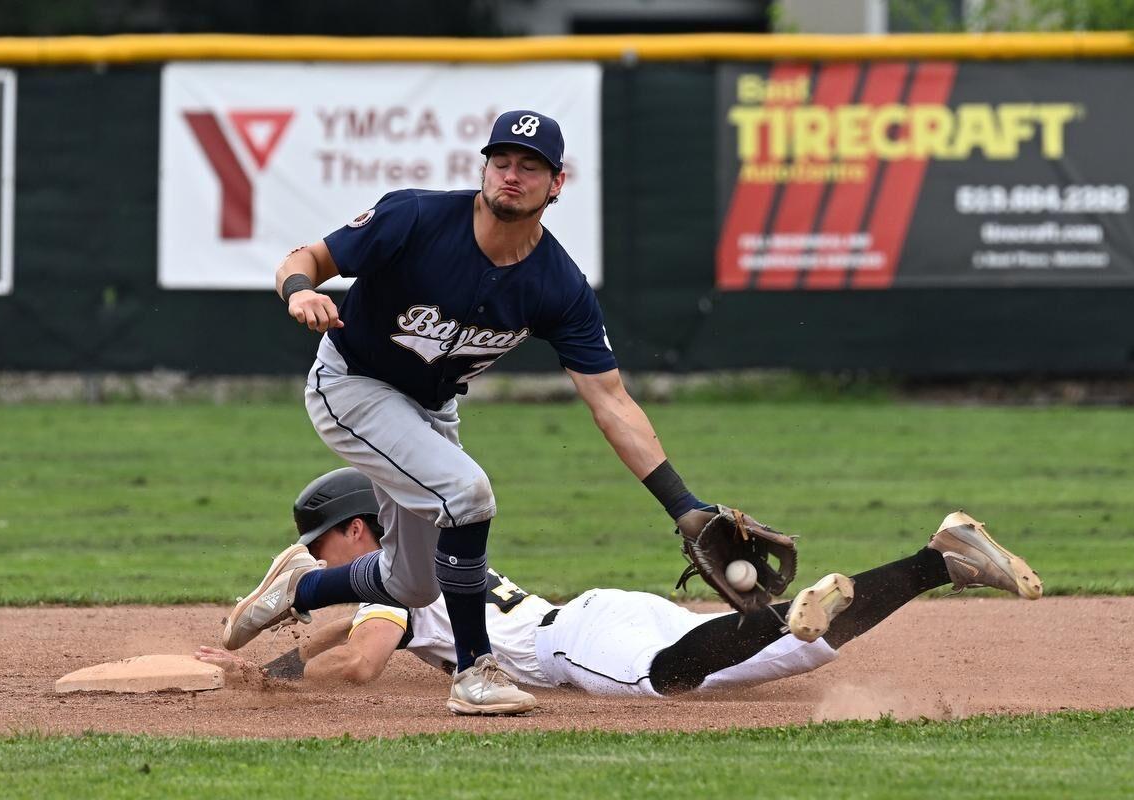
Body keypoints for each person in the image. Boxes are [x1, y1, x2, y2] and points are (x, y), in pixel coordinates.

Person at [222, 110, 761, 715]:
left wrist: (684, 506)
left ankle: (303, 585)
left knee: (413, 583)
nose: (511, 174)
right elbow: (306, 257)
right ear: (484, 167)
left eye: (529, 166)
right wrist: (300, 291)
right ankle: (475, 674)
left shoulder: (557, 284)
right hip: (351, 386)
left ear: (556, 184)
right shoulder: (416, 217)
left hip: (431, 409)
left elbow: (611, 400)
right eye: (501, 161)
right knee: (467, 493)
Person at [203, 468, 1043, 702]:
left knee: (669, 679)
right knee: (802, 652)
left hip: (577, 646)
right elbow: (341, 635)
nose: (321, 554)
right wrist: (275, 666)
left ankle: (809, 607)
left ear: (356, 530)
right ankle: (941, 560)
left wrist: (279, 688)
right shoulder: (424, 557)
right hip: (602, 609)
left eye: (322, 542)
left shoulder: (399, 570)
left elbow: (360, 661)